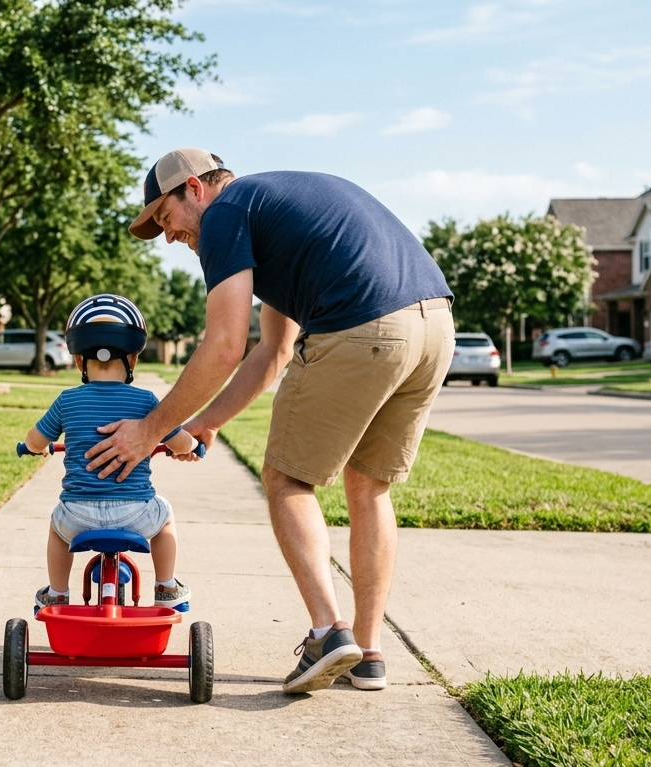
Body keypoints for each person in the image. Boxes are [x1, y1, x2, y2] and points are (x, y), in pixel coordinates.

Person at [84, 149, 454, 694]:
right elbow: (273, 350)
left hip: (361, 325)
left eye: (166, 217)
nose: (169, 237)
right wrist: (207, 423)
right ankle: (368, 653)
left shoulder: (227, 213)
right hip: (433, 327)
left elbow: (225, 343)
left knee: (287, 479)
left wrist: (148, 430)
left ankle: (329, 634)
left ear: (195, 188)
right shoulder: (273, 207)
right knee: (368, 486)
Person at [20, 294, 202, 614]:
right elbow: (181, 442)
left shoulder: (67, 400)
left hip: (78, 515)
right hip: (136, 516)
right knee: (166, 515)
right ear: (132, 359)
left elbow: (35, 440)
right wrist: (194, 447)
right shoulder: (147, 401)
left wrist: (34, 447)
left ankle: (57, 592)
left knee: (56, 526)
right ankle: (166, 586)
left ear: (78, 361)